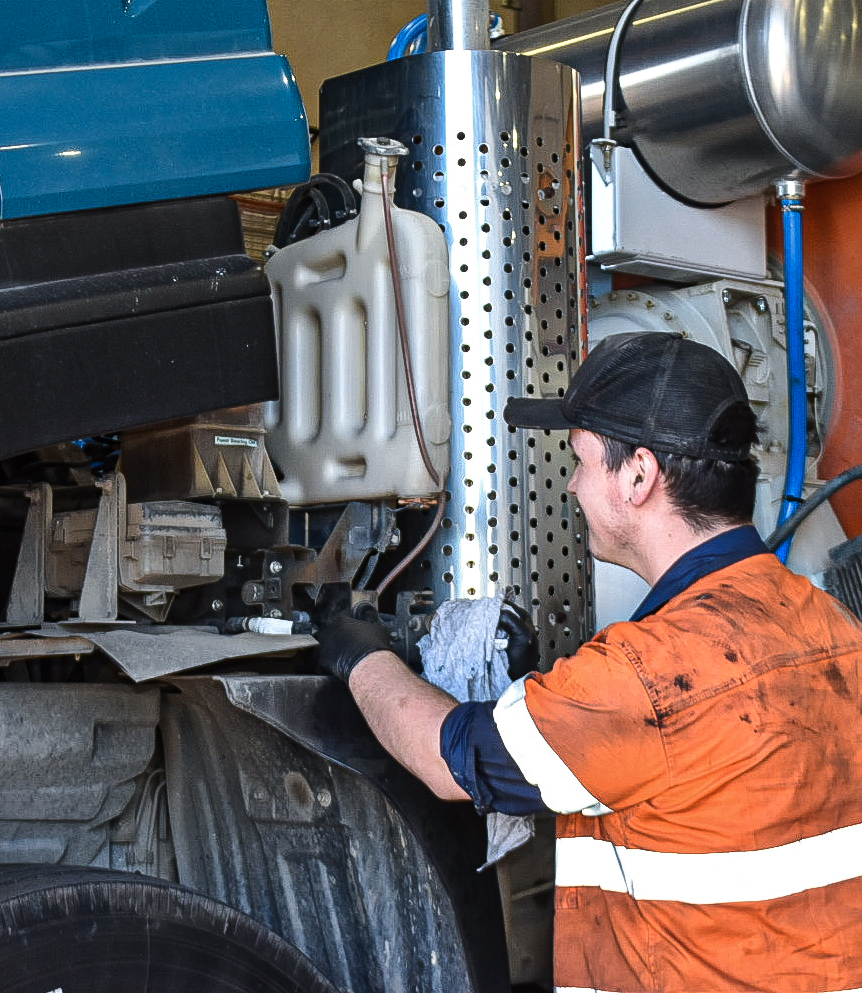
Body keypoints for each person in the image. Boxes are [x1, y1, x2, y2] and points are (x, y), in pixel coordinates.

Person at [316, 330, 862, 993]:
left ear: (638, 475)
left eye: (579, 461)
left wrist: (359, 653)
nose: (571, 487)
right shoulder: (831, 624)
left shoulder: (647, 676)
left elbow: (449, 760)